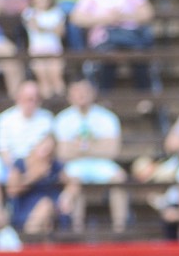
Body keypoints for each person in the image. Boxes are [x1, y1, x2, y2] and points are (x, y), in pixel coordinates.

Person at [52, 77, 129, 234]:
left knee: (119, 178)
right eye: (77, 91)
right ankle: (77, 230)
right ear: (69, 95)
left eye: (85, 91)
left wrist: (80, 148)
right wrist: (96, 146)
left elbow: (112, 150)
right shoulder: (62, 119)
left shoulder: (107, 117)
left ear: (93, 93)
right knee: (74, 180)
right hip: (74, 165)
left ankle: (120, 228)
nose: (81, 95)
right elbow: (61, 153)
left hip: (101, 163)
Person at [69, 0, 154, 92]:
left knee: (139, 57)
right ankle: (105, 96)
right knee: (107, 59)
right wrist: (104, 19)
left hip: (130, 38)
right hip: (103, 39)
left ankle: (144, 98)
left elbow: (148, 13)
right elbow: (76, 18)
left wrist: (124, 16)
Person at [6, 132, 79, 236]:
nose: (45, 152)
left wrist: (67, 196)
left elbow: (72, 182)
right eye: (43, 147)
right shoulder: (20, 164)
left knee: (48, 208)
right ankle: (29, 239)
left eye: (49, 150)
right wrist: (33, 176)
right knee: (45, 207)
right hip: (26, 206)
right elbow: (12, 190)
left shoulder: (54, 165)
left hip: (52, 206)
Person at [0, 79, 54, 169]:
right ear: (19, 98)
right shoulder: (4, 119)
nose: (33, 103)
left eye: (36, 99)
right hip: (16, 166)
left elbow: (50, 146)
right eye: (29, 99)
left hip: (41, 163)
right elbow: (3, 151)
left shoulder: (47, 117)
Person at [21, 0, 66, 100]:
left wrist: (44, 28)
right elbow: (34, 27)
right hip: (37, 50)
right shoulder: (29, 12)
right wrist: (50, 29)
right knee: (43, 78)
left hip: (54, 50)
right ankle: (47, 102)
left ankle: (61, 101)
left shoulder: (57, 12)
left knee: (56, 77)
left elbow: (60, 32)